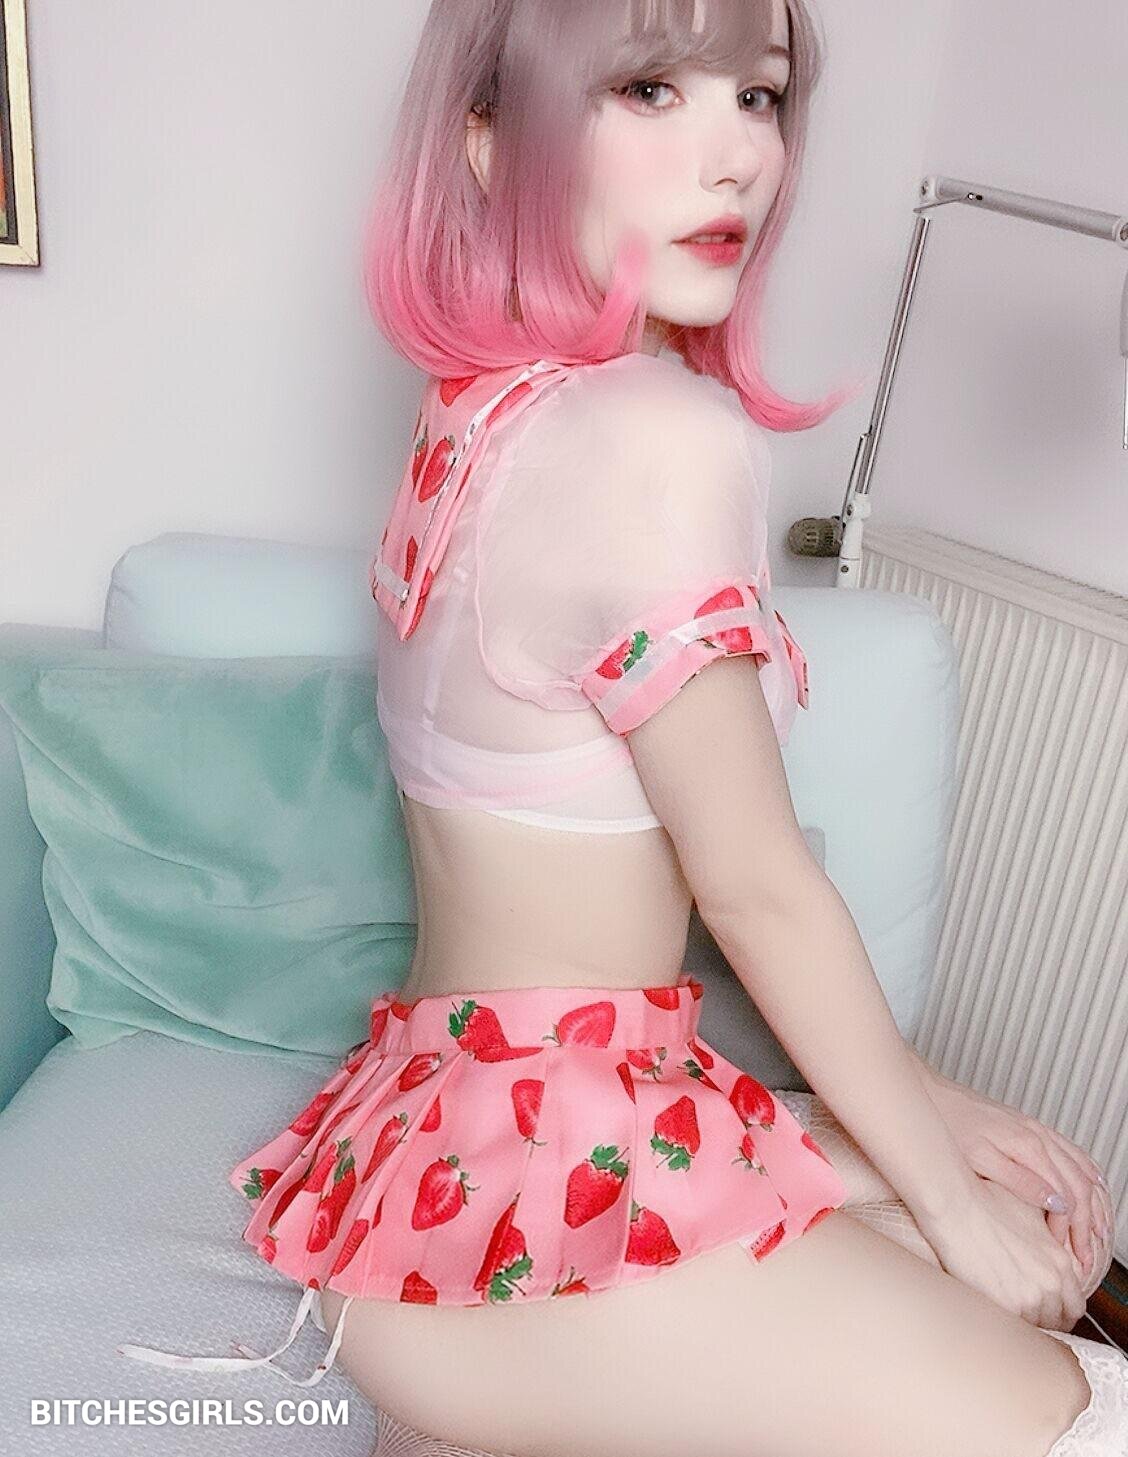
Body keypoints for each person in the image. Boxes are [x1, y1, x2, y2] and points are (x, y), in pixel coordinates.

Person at [118, 1, 1128, 1452]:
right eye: (651, 88)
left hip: (435, 1140)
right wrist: (955, 1211)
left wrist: (927, 1119)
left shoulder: (479, 409)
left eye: (759, 96)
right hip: (539, 1192)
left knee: (994, 1218)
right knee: (1065, 1400)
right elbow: (756, 887)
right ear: (488, 139)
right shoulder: (658, 438)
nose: (738, 157)